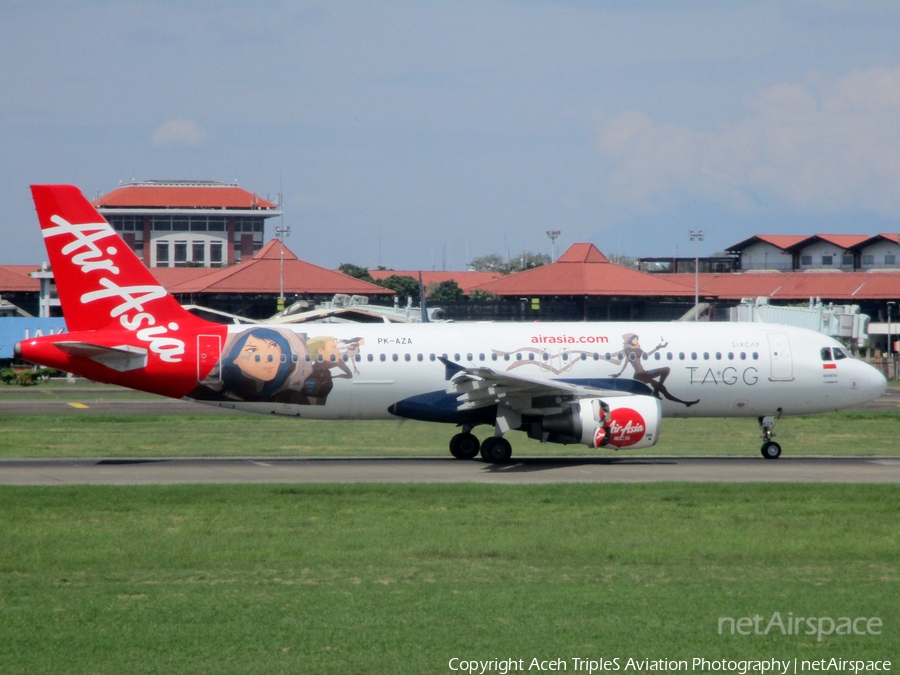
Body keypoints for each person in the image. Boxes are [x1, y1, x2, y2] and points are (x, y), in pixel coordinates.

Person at [191, 327, 312, 404]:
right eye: (252, 350)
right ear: (235, 358)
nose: (266, 359)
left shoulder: (291, 396)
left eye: (273, 346)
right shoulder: (209, 392)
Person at [610, 333, 698, 407]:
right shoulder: (628, 351)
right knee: (665, 373)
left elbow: (647, 354)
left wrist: (658, 348)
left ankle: (684, 403)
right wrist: (619, 373)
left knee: (663, 386)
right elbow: (626, 363)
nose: (636, 341)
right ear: (630, 341)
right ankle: (659, 392)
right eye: (635, 339)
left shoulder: (638, 349)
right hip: (640, 375)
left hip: (644, 374)